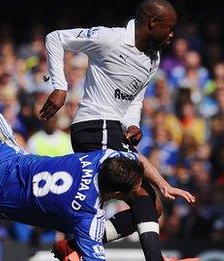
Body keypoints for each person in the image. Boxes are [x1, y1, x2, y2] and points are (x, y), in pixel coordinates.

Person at [0, 13, 195, 260]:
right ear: (114, 195)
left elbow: (130, 157)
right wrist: (162, 185)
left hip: (3, 158)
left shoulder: (97, 158)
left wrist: (161, 183)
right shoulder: (88, 218)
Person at [40, 0, 178, 259]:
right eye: (170, 28)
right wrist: (60, 86)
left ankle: (75, 244)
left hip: (113, 127)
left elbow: (134, 98)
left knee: (153, 205)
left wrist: (133, 123)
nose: (172, 35)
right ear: (152, 23)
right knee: (140, 193)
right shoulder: (109, 38)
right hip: (95, 125)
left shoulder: (153, 57)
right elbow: (56, 38)